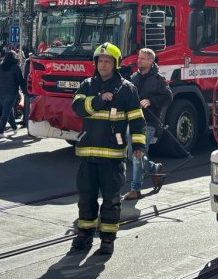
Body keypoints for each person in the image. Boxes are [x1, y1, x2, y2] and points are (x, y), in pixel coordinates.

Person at [70, 42, 146, 255]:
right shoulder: (86, 85)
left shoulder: (126, 89)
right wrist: (97, 101)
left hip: (113, 157)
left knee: (111, 200)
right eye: (100, 61)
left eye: (107, 61)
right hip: (87, 154)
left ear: (116, 64)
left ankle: (107, 239)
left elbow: (137, 120)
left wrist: (139, 145)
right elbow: (77, 108)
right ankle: (84, 235)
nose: (103, 65)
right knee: (86, 197)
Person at [125, 48, 172, 200]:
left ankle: (135, 189)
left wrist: (151, 101)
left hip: (149, 122)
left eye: (142, 58)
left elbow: (168, 97)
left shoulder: (158, 79)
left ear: (151, 61)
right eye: (138, 58)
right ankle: (154, 167)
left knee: (138, 154)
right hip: (133, 121)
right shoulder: (133, 78)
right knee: (132, 154)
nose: (138, 60)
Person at [0, 50, 26, 137]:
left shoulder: (0, 66)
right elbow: (20, 81)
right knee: (6, 112)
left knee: (8, 110)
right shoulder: (16, 67)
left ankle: (15, 128)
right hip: (11, 92)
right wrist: (25, 91)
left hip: (0, 92)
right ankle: (0, 132)